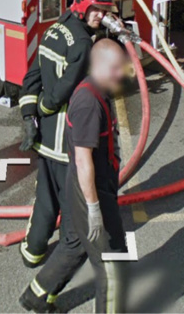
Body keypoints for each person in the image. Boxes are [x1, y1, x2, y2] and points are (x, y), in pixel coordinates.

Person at [20, 39, 129, 314]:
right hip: (90, 192)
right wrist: (93, 209)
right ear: (100, 66)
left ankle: (36, 295)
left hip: (99, 188)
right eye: (116, 68)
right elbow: (82, 161)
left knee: (77, 244)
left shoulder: (100, 91)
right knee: (110, 265)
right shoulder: (88, 103)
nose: (122, 74)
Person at [17, 0, 117, 268]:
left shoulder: (53, 30)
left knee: (45, 201)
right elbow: (66, 88)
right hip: (67, 143)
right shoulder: (84, 44)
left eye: (104, 10)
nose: (102, 16)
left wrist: (29, 116)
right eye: (97, 10)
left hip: (46, 139)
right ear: (84, 7)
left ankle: (32, 251)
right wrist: (47, 107)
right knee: (72, 204)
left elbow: (32, 77)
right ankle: (67, 254)